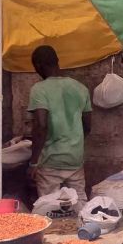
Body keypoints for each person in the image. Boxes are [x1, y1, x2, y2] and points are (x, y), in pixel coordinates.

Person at [27, 46, 92, 203]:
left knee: (50, 208)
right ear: (57, 62)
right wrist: (72, 141)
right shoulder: (80, 88)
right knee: (79, 206)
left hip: (50, 162)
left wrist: (33, 162)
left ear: (38, 65)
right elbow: (87, 126)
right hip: (75, 160)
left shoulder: (39, 89)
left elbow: (41, 127)